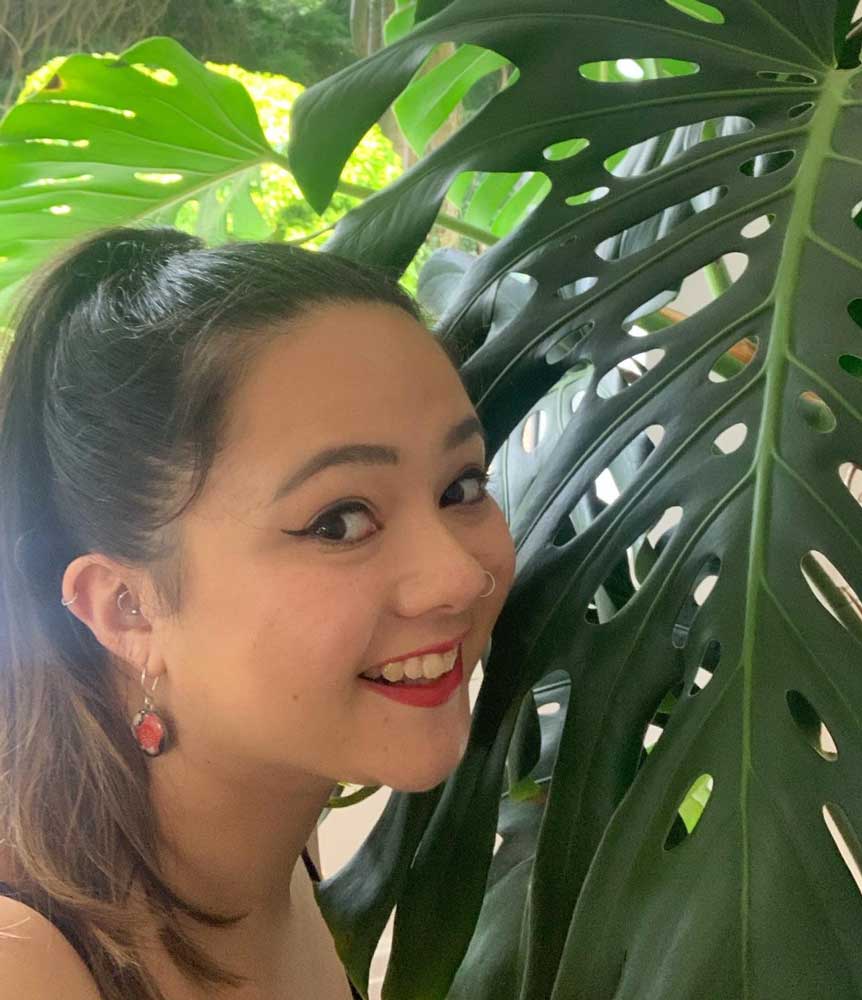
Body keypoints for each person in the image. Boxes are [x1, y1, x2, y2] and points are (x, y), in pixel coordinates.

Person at [0, 226, 516, 999]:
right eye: (340, 520)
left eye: (461, 487)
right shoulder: (28, 964)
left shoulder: (274, 830)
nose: (458, 575)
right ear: (127, 609)